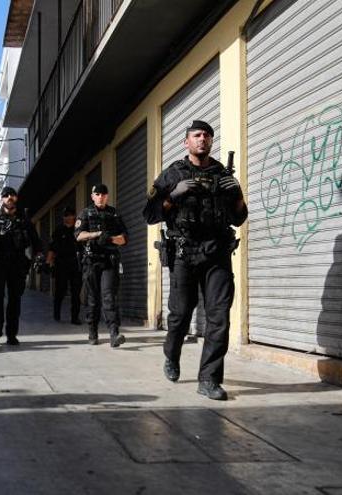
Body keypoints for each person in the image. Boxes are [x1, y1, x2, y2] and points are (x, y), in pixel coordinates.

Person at [143, 120, 247, 401]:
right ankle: (172, 356)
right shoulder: (172, 173)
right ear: (186, 142)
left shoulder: (220, 173)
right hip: (184, 252)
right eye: (197, 135)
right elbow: (150, 214)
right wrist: (172, 197)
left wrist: (236, 194)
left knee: (219, 317)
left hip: (217, 252)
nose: (202, 139)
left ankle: (209, 379)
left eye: (207, 136)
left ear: (211, 142)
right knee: (180, 315)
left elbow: (238, 217)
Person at [0, 187, 42, 345]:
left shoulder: (24, 218)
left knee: (15, 300)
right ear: (2, 199)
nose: (10, 198)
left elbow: (35, 239)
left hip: (17, 264)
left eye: (12, 195)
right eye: (6, 195)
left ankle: (11, 334)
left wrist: (39, 256)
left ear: (16, 198)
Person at [75, 184, 128, 347]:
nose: (100, 197)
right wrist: (97, 234)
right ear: (92, 196)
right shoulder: (85, 213)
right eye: (97, 194)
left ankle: (114, 333)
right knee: (92, 299)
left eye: (103, 194)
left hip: (109, 261)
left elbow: (124, 238)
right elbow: (78, 235)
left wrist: (110, 239)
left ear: (107, 196)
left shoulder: (114, 213)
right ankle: (93, 332)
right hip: (92, 262)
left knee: (109, 297)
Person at [47, 206, 83, 325]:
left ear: (74, 216)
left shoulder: (79, 230)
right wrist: (49, 263)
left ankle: (75, 317)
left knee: (76, 292)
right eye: (65, 215)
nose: (67, 218)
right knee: (60, 291)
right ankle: (56, 313)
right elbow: (52, 249)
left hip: (76, 265)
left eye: (69, 215)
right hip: (61, 265)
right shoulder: (58, 231)